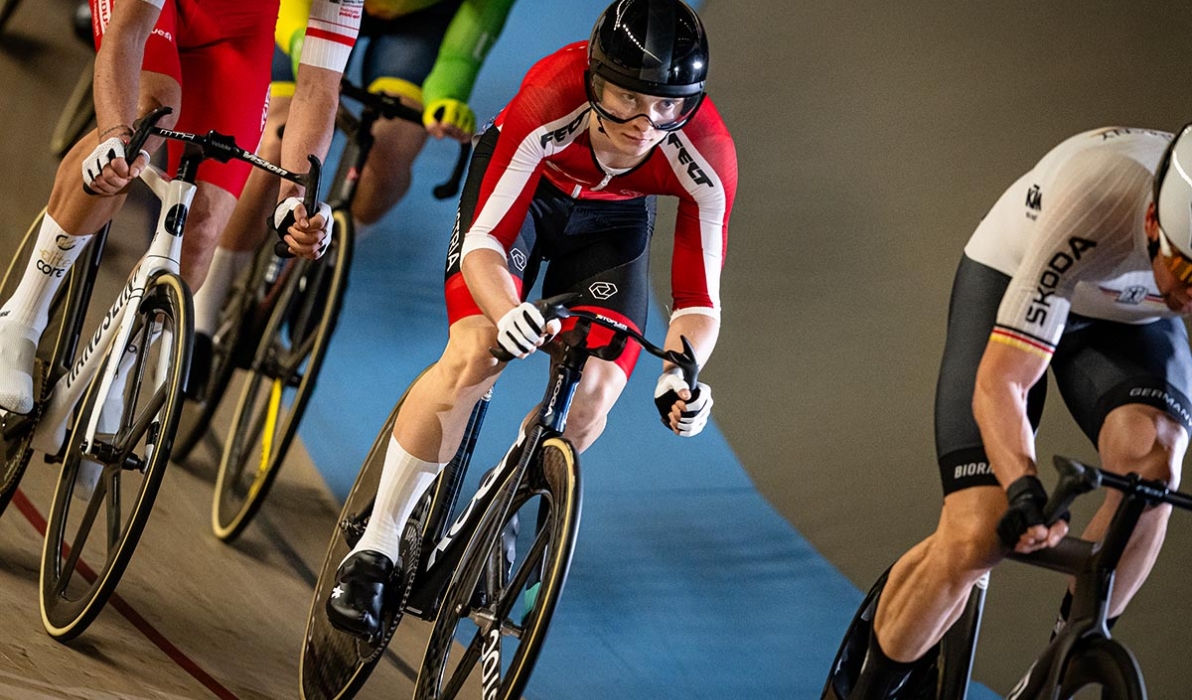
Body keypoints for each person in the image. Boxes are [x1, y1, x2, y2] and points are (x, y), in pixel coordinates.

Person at [325, 0, 738, 639]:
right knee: (477, 350)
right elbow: (487, 242)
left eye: (667, 105)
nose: (644, 122)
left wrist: (681, 376)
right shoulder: (551, 94)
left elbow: (697, 303)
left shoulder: (706, 150)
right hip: (524, 197)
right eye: (625, 97)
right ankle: (375, 549)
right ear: (596, 81)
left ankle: (510, 490)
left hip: (613, 224)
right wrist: (507, 311)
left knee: (596, 394)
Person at [828, 124, 1192, 699]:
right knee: (979, 532)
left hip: (1132, 320)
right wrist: (1024, 489)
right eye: (1189, 272)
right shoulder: (1099, 198)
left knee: (1154, 476)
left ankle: (1057, 668)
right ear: (1153, 224)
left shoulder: (1175, 268)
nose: (1191, 295)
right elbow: (1002, 383)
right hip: (1017, 271)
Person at [0, 0, 362, 451]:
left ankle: (121, 366)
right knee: (149, 121)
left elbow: (318, 90)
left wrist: (296, 197)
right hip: (154, 12)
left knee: (205, 222)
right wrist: (115, 135)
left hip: (237, 34)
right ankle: (22, 317)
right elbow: (128, 32)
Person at [189, 0, 517, 378]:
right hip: (311, 8)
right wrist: (304, 47)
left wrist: (445, 96)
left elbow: (466, 45)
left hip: (415, 21)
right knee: (276, 144)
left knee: (391, 154)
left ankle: (327, 260)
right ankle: (205, 305)